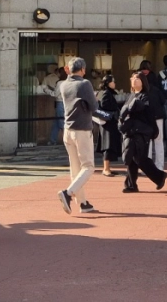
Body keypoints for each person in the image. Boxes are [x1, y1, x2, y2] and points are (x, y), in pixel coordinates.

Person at [57, 57, 99, 215]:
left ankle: (83, 203)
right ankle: (68, 193)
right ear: (83, 70)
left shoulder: (64, 84)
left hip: (68, 129)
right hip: (82, 129)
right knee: (88, 166)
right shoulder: (85, 83)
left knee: (75, 168)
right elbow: (93, 106)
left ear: (68, 69)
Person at [118, 72, 166, 193]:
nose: (134, 80)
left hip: (142, 131)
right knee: (131, 157)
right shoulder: (131, 95)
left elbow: (139, 110)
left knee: (140, 158)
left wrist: (129, 109)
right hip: (131, 130)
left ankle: (158, 176)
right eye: (133, 78)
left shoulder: (146, 96)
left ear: (143, 82)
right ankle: (131, 184)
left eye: (137, 79)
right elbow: (125, 111)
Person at [138, 60, 167, 170]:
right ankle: (159, 166)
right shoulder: (156, 84)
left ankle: (147, 166)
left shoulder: (140, 89)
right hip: (158, 115)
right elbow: (163, 99)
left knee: (147, 142)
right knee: (159, 141)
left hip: (146, 117)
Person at [97, 75, 123, 177]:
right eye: (113, 82)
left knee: (109, 144)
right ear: (108, 83)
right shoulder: (106, 93)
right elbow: (104, 105)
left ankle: (108, 167)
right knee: (107, 145)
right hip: (108, 122)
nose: (114, 83)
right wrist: (114, 110)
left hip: (108, 122)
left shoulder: (105, 93)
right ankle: (106, 168)